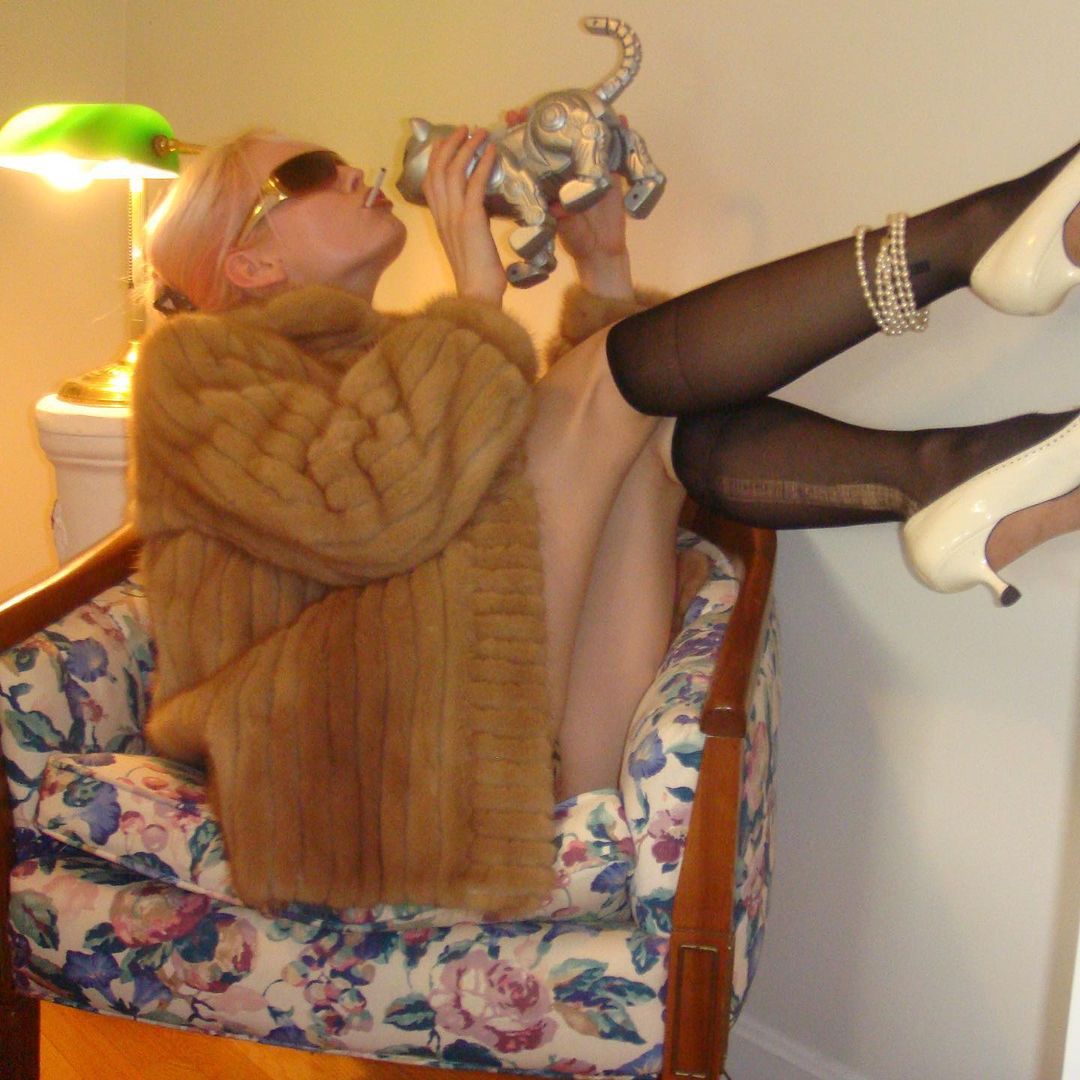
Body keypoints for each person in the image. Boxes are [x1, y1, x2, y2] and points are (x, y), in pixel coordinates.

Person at [135, 124, 1080, 916]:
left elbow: (574, 454)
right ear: (249, 262)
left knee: (654, 434)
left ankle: (943, 478)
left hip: (488, 739)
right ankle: (969, 254)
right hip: (358, 765)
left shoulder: (395, 354)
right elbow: (367, 516)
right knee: (602, 399)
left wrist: (602, 261)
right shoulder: (193, 369)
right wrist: (475, 294)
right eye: (304, 173)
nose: (350, 171)